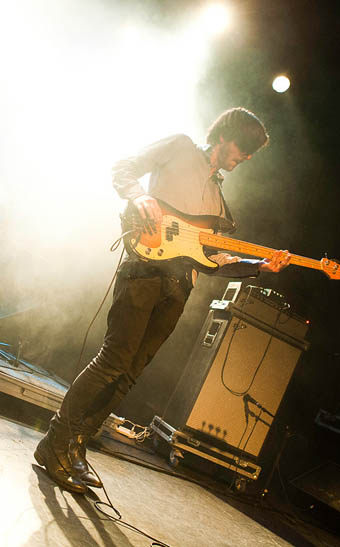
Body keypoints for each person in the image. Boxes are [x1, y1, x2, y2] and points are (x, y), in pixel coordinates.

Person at [34, 107, 292, 493]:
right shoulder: (180, 146)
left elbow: (213, 263)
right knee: (113, 361)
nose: (247, 157)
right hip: (143, 272)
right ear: (224, 136)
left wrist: (259, 267)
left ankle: (76, 446)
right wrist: (138, 197)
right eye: (244, 147)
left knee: (130, 371)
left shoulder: (219, 202)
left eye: (252, 153)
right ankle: (54, 443)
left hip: (178, 289)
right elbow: (123, 167)